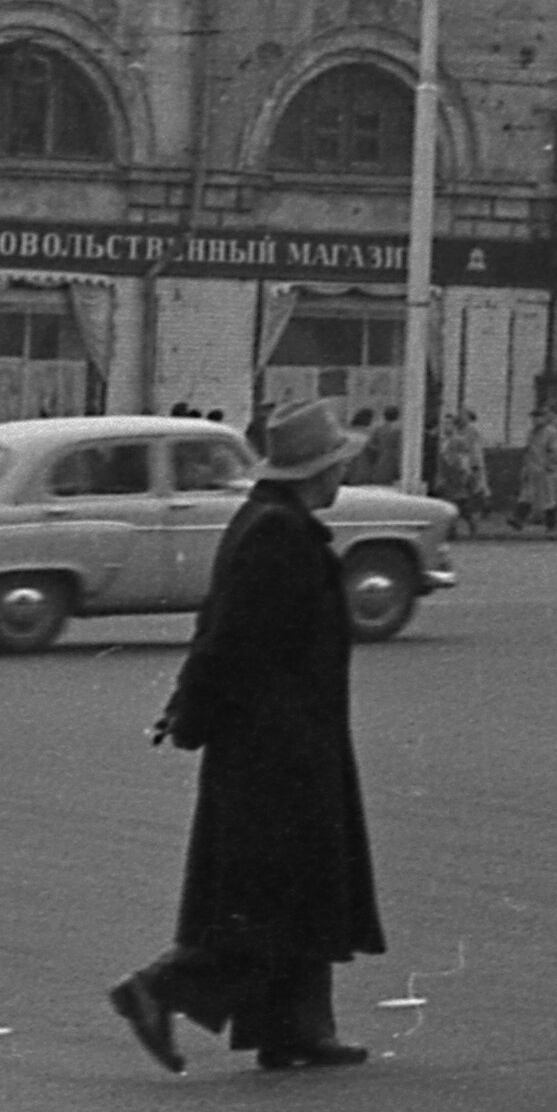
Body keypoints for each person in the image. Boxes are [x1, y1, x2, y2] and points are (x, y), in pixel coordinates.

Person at [108, 397, 383, 1075]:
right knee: (271, 892)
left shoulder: (270, 522)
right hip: (277, 748)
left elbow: (218, 633)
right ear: (313, 473)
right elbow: (227, 639)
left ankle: (294, 1029)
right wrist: (191, 712)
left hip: (285, 740)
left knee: (294, 889)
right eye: (336, 465)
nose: (341, 478)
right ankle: (159, 990)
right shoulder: (277, 535)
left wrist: (189, 711)